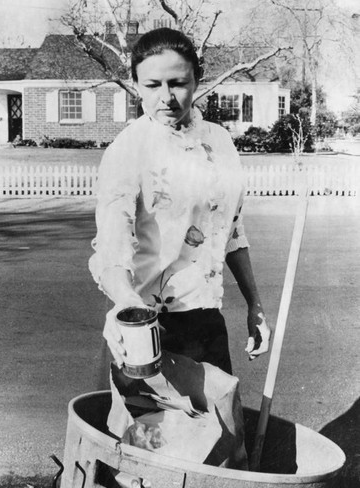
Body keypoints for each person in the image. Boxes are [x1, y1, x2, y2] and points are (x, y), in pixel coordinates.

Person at [89, 27, 270, 376]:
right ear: (137, 84)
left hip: (207, 325)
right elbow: (112, 243)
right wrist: (126, 304)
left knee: (219, 429)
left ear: (197, 79)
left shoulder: (219, 142)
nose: (166, 97)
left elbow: (230, 232)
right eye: (153, 85)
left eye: (178, 83)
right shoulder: (129, 149)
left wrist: (255, 307)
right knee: (143, 433)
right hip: (143, 329)